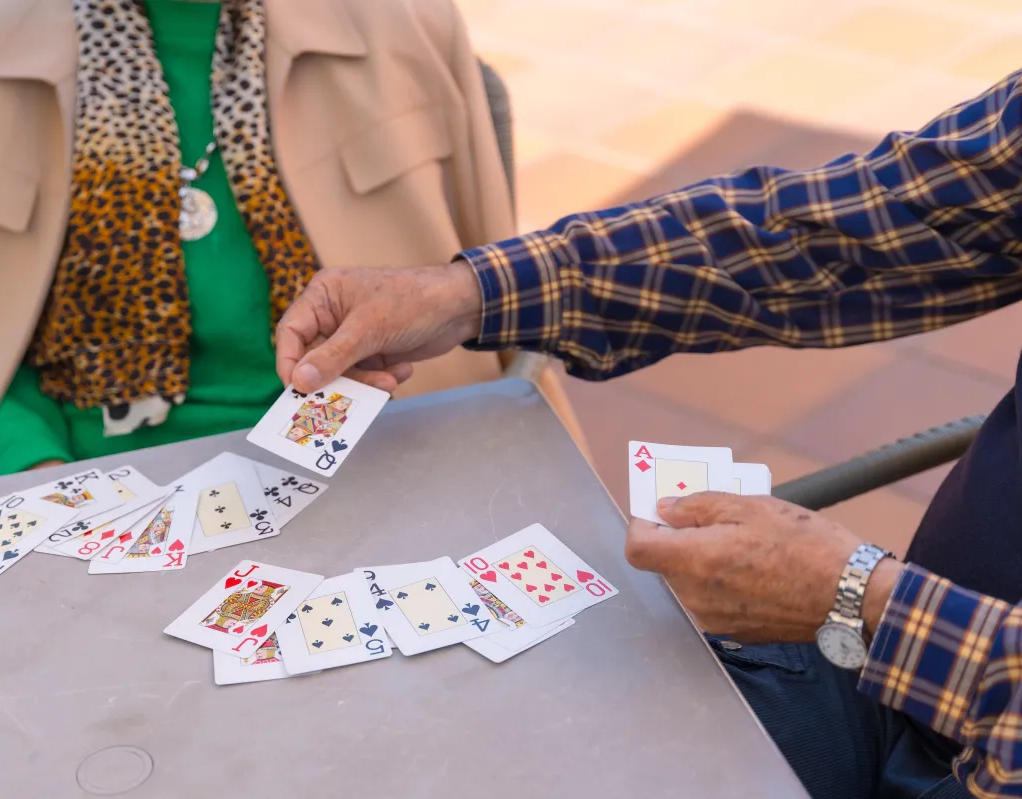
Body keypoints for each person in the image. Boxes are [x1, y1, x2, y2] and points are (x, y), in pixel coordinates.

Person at [274, 70, 1022, 799]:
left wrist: (868, 599)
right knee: (490, 726)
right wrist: (469, 292)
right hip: (883, 683)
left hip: (946, 695)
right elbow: (850, 229)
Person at [0, 0, 585, 488]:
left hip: (378, 458)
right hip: (86, 476)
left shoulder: (409, 24)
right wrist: (40, 473)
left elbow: (491, 294)